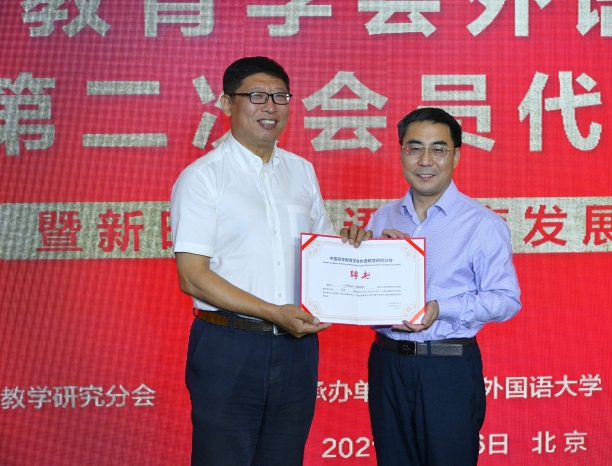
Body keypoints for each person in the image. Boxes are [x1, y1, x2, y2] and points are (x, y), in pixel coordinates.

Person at [169, 56, 370, 466]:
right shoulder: (203, 177)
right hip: (228, 346)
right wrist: (273, 312)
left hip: (296, 349)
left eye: (280, 96)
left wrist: (357, 248)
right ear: (227, 103)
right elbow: (192, 277)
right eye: (257, 96)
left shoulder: (302, 171)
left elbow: (323, 252)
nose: (271, 107)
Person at [366, 107, 521, 466]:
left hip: (446, 369)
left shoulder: (481, 223)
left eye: (438, 149)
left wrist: (440, 308)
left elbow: (506, 300)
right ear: (401, 152)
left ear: (456, 155)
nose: (425, 160)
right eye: (414, 148)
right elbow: (368, 291)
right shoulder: (382, 217)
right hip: (387, 365)